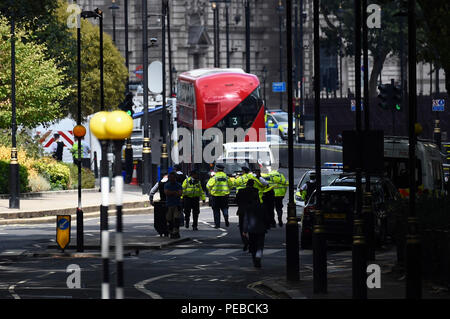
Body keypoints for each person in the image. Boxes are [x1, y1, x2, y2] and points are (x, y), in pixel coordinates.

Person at [241, 179, 270, 268]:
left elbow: (246, 219)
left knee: (253, 245)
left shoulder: (248, 207)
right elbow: (266, 218)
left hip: (251, 229)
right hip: (261, 229)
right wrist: (267, 226)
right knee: (260, 245)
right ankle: (258, 256)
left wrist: (244, 230)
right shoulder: (262, 206)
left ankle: (255, 260)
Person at [206, 164, 233, 228]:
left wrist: (210, 192)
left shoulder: (214, 177)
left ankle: (217, 225)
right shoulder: (226, 177)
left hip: (215, 196)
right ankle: (226, 216)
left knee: (216, 210)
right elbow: (231, 185)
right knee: (225, 208)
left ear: (217, 170)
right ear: (223, 170)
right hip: (224, 196)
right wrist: (227, 191)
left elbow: (208, 185)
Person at [164, 172, 183, 239]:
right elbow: (166, 192)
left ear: (175, 178)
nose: (171, 179)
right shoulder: (167, 185)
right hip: (169, 204)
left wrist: (171, 192)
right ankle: (171, 231)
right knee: (169, 219)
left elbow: (180, 193)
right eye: (170, 177)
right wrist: (175, 192)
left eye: (173, 177)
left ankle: (176, 231)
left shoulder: (178, 185)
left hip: (176, 204)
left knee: (176, 218)